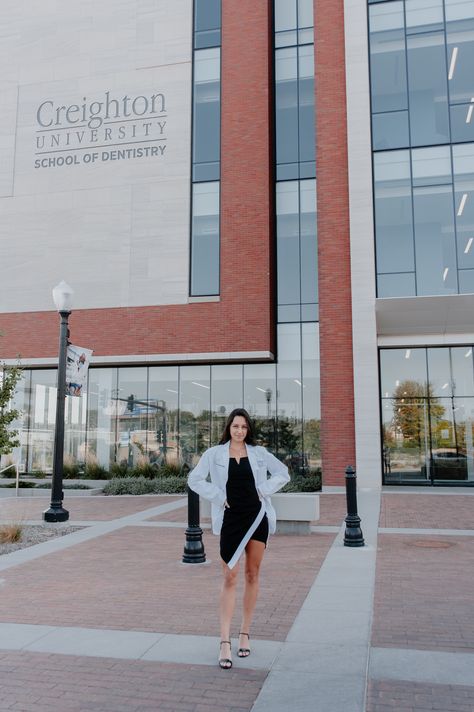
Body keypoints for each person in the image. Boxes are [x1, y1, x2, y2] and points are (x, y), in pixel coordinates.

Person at [187, 408, 290, 670]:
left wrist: (262, 490)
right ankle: (224, 641)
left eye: (244, 427)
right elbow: (194, 479)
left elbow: (283, 473)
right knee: (229, 576)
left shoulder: (259, 453)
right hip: (231, 519)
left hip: (257, 518)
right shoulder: (214, 454)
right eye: (236, 426)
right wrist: (219, 497)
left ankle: (244, 634)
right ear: (229, 428)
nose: (240, 431)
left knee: (252, 574)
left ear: (248, 430)